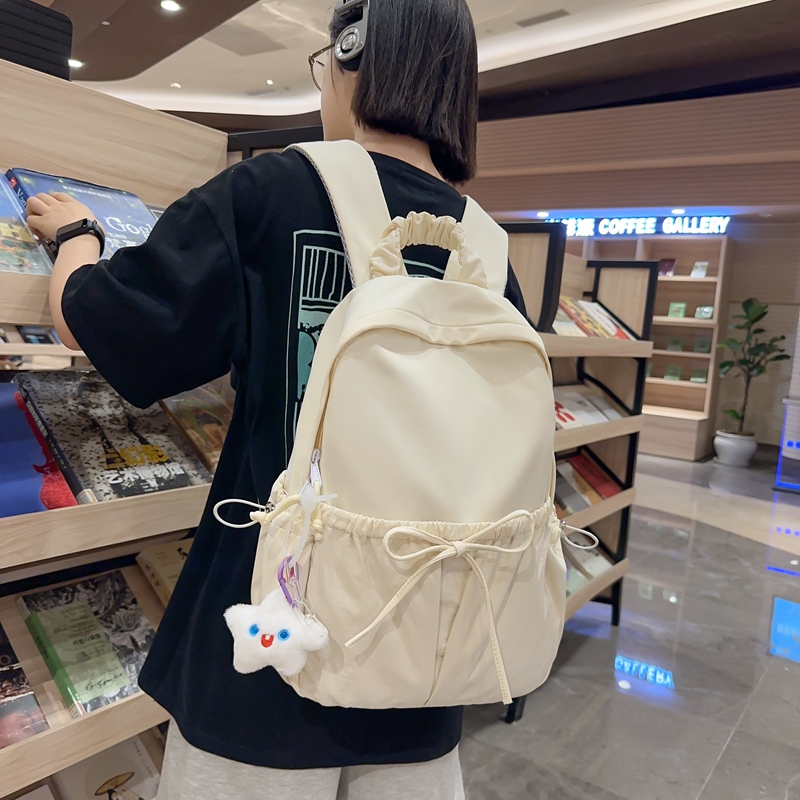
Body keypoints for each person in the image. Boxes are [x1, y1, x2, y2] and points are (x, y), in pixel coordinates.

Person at [26, 0, 528, 796]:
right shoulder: (489, 253)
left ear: (353, 56)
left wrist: (75, 238)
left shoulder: (271, 192)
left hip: (268, 646)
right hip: (429, 652)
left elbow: (107, 325)